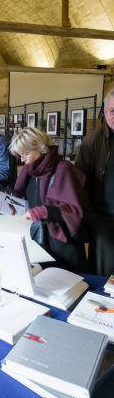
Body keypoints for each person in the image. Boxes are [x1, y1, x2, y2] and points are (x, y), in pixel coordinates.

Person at [9, 127, 87, 273]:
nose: (22, 159)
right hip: (38, 242)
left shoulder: (63, 169)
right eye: (20, 155)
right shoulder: (30, 171)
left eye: (26, 153)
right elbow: (27, 197)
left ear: (41, 148)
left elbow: (73, 211)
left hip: (62, 246)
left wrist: (42, 212)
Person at [75, 89, 114, 276]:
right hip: (103, 218)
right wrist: (91, 217)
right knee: (105, 272)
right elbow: (80, 183)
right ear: (104, 111)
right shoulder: (92, 142)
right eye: (112, 111)